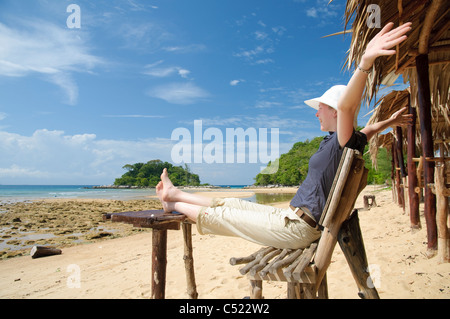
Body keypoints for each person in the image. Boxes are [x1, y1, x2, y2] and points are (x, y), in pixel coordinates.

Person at [156, 22, 413, 250]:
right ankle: (174, 196)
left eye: (320, 109)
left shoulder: (341, 141)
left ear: (335, 112)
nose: (316, 115)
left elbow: (348, 107)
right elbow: (368, 129)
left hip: (297, 229)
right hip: (291, 219)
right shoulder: (349, 141)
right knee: (231, 204)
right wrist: (389, 121)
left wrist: (365, 64)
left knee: (223, 217)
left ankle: (175, 204)